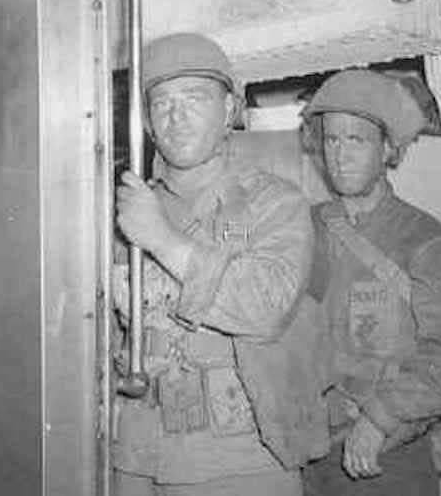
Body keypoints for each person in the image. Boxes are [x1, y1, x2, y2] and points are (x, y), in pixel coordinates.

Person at [111, 32, 328, 496]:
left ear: (229, 110)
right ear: (146, 120)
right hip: (135, 452)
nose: (176, 116)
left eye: (195, 98)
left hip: (239, 460)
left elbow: (265, 308)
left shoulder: (276, 204)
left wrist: (162, 240)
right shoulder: (127, 209)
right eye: (162, 102)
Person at [299, 69, 441, 496]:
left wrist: (380, 417)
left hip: (387, 457)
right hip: (310, 452)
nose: (340, 155)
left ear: (388, 149)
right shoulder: (304, 228)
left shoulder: (422, 238)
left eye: (356, 140)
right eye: (331, 140)